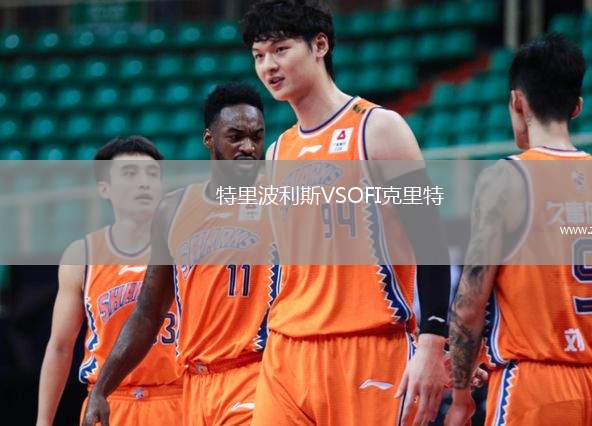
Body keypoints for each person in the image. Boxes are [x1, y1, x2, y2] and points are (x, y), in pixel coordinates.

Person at [242, 1, 455, 424]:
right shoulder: (277, 153)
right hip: (287, 352)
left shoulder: (378, 129)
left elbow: (431, 239)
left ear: (320, 45)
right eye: (259, 55)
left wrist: (433, 342)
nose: (269, 66)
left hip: (368, 347)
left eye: (281, 49)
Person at [446, 33, 592, 425]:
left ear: (517, 101)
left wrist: (460, 396)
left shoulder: (506, 178)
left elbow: (469, 305)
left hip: (536, 385)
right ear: (577, 107)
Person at [82, 82, 276, 426]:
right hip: (194, 386)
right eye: (235, 137)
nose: (248, 147)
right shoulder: (174, 209)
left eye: (256, 137)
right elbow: (148, 312)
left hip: (255, 372)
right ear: (209, 139)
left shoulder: (281, 200)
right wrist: (101, 389)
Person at [37, 136, 183, 426]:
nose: (143, 183)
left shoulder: (186, 248)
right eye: (130, 174)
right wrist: (43, 421)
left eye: (152, 175)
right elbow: (61, 346)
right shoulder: (82, 255)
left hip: (179, 398)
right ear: (105, 188)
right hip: (109, 403)